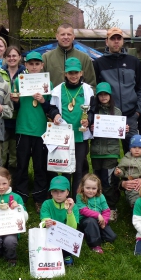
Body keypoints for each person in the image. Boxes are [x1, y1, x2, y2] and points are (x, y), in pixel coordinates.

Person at [10, 51, 52, 212]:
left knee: (40, 166)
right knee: (21, 166)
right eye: (31, 64)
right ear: (25, 65)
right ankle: (21, 197)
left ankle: (40, 198)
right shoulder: (20, 82)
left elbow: (51, 108)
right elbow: (16, 105)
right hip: (23, 128)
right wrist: (15, 101)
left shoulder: (48, 83)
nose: (34, 67)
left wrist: (42, 100)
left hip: (41, 130)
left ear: (42, 65)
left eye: (37, 64)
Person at [93, 27, 141, 153]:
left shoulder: (134, 61)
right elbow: (95, 88)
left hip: (130, 115)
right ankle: (111, 173)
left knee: (133, 153)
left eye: (118, 38)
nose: (116, 41)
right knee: (109, 154)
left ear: (122, 41)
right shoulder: (99, 63)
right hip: (109, 116)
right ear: (107, 41)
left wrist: (138, 111)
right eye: (113, 39)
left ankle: (130, 173)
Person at [49, 57, 94, 195]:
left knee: (78, 168)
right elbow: (51, 108)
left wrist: (89, 120)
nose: (73, 76)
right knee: (65, 168)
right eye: (70, 73)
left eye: (76, 73)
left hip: (80, 135)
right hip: (63, 135)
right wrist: (55, 114)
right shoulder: (57, 90)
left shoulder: (87, 90)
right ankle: (64, 196)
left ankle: (76, 198)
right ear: (65, 73)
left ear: (81, 73)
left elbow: (92, 110)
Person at [88, 81, 127, 221]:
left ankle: (111, 208)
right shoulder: (93, 112)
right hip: (96, 151)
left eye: (106, 94)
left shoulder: (117, 112)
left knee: (108, 180)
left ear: (110, 95)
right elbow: (87, 129)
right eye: (100, 95)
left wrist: (124, 129)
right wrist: (90, 128)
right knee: (97, 180)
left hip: (111, 152)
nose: (103, 97)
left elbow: (120, 130)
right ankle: (98, 206)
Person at [43, 23, 97, 89]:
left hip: (78, 98)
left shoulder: (84, 58)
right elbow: (40, 83)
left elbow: (91, 84)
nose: (66, 37)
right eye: (62, 34)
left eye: (69, 34)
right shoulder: (46, 58)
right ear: (57, 36)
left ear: (73, 36)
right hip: (53, 98)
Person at [0, 46, 26, 173]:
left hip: (20, 118)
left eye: (14, 56)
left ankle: (13, 183)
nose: (12, 58)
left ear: (20, 57)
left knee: (15, 154)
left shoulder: (26, 74)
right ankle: (0, 180)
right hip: (3, 119)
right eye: (9, 56)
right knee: (2, 152)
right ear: (5, 58)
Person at [40, 175, 79, 266]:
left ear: (67, 192)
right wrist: (46, 223)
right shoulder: (47, 203)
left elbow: (73, 227)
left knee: (70, 234)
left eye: (62, 191)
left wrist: (69, 211)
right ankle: (50, 253)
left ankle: (66, 255)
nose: (58, 194)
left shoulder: (74, 206)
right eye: (55, 191)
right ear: (51, 193)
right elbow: (43, 221)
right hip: (51, 232)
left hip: (65, 235)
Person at [75, 173, 117, 254]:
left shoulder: (101, 196)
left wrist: (104, 221)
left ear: (98, 188)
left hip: (99, 220)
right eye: (88, 188)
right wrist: (98, 215)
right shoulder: (79, 196)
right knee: (91, 221)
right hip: (85, 221)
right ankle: (95, 245)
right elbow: (83, 210)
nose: (91, 191)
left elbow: (106, 210)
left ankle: (92, 234)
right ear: (82, 187)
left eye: (94, 188)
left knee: (111, 237)